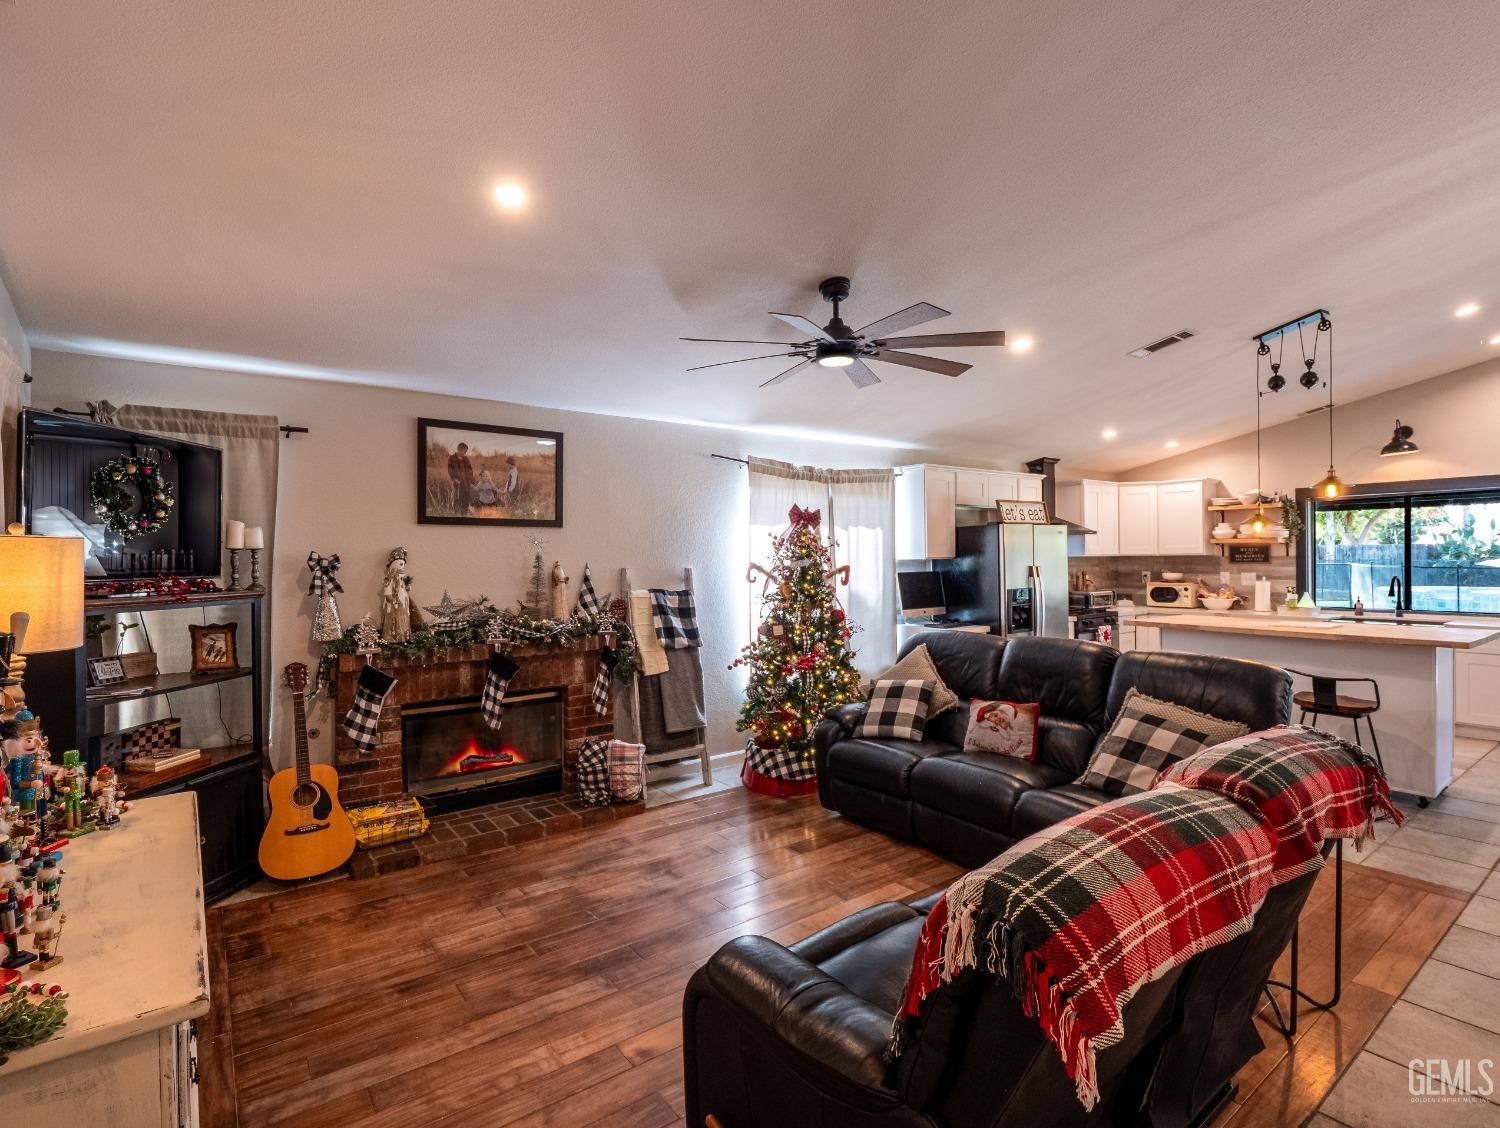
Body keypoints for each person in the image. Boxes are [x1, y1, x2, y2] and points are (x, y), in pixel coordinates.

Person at [447, 442, 476, 513]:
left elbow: (470, 470)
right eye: (464, 451)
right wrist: (454, 479)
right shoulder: (451, 458)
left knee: (466, 498)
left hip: (466, 483)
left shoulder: (466, 459)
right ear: (459, 450)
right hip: (457, 483)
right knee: (457, 498)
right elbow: (450, 470)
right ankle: (456, 513)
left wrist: (471, 481)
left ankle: (464, 513)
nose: (465, 453)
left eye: (466, 452)